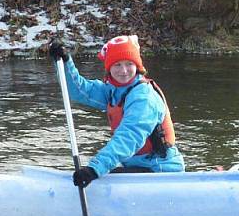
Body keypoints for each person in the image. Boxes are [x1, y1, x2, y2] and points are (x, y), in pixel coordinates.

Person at [49, 35, 185, 187]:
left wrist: (94, 168)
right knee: (103, 177)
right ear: (109, 68)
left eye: (129, 64)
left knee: (100, 179)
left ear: (138, 65)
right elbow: (79, 91)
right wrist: (65, 62)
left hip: (160, 171)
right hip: (136, 166)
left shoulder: (144, 98)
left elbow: (129, 137)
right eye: (117, 65)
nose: (124, 71)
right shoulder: (114, 91)